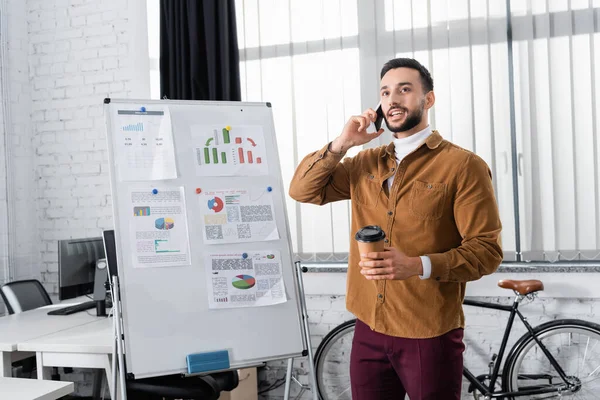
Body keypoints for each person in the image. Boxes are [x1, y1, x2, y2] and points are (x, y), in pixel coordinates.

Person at [288, 58, 503, 400]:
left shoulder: (463, 166)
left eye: (405, 89)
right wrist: (342, 144)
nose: (393, 100)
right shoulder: (363, 163)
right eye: (385, 92)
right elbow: (302, 190)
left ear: (427, 100)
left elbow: (486, 252)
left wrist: (418, 265)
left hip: (427, 332)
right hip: (368, 327)